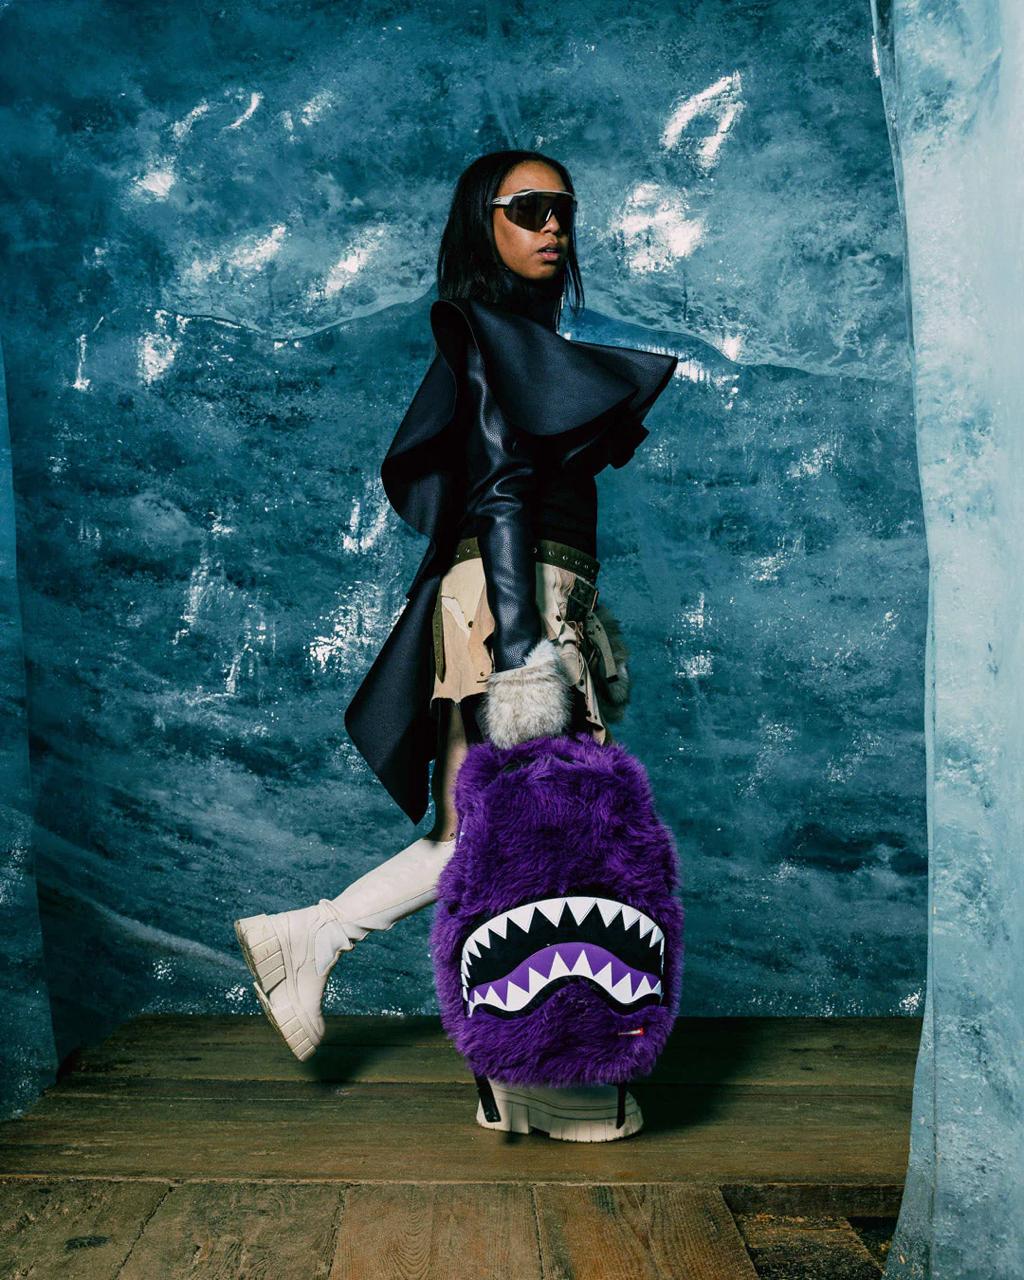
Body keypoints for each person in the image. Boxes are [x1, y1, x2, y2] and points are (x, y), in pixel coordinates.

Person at [234, 150, 677, 1139]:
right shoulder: (489, 336)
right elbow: (503, 493)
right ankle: (353, 960)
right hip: (513, 604)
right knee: (532, 830)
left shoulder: (518, 341)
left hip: (515, 597)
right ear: (485, 223)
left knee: (478, 834)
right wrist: (524, 654)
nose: (553, 226)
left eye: (563, 209)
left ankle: (339, 956)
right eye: (529, 209)